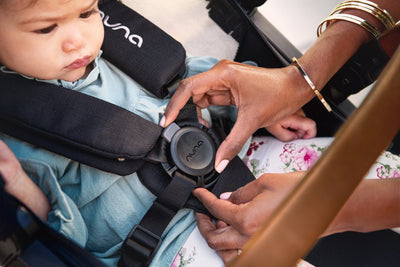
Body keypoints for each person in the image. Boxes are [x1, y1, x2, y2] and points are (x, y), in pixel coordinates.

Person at [0, 0, 317, 266]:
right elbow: (66, 240)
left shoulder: (120, 51)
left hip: (232, 160)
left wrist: (258, 106)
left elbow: (198, 77)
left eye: (86, 13)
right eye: (46, 28)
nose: (78, 40)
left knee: (344, 168)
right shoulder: (18, 136)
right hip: (169, 241)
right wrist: (17, 184)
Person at [160, 0, 400, 264]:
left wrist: (325, 208)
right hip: (184, 220)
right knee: (385, 166)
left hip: (226, 187)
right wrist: (299, 80)